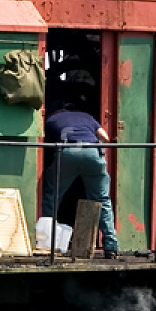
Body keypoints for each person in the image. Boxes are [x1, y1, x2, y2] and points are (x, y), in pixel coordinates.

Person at [41, 98, 118, 256]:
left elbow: (45, 144)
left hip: (67, 151)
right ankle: (111, 246)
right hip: (92, 153)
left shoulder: (50, 120)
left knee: (52, 195)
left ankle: (46, 242)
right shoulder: (87, 117)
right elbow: (105, 138)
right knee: (102, 199)